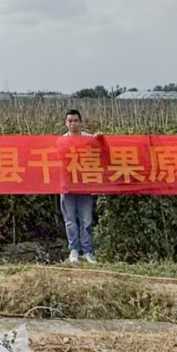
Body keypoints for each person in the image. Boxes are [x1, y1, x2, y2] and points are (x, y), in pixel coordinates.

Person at [60, 109, 104, 264]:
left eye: (75, 121)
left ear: (81, 122)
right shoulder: (61, 141)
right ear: (66, 123)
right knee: (70, 219)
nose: (73, 124)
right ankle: (74, 250)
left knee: (86, 219)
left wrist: (100, 140)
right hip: (67, 185)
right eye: (70, 121)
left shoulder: (90, 139)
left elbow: (102, 154)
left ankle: (87, 251)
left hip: (85, 184)